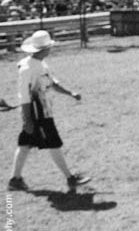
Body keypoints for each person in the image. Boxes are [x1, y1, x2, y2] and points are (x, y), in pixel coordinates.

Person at [7, 30, 90, 192]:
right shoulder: (29, 68)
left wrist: (70, 93)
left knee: (25, 143)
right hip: (38, 114)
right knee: (53, 143)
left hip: (39, 111)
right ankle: (69, 177)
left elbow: (52, 83)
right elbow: (24, 95)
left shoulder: (38, 64)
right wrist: (28, 120)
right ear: (44, 49)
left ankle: (15, 179)